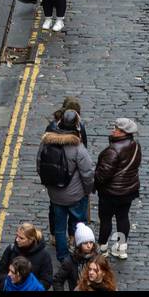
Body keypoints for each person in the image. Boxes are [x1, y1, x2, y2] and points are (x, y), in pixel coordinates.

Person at [37, 108, 95, 263]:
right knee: (78, 225)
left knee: (59, 227)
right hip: (76, 195)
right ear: (76, 126)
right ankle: (79, 252)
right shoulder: (78, 148)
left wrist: (49, 185)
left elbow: (39, 165)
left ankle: (63, 256)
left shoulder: (46, 143)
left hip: (55, 195)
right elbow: (87, 173)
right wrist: (87, 191)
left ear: (60, 123)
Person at [94, 117, 141, 258]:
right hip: (129, 191)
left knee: (106, 219)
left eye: (117, 129)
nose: (113, 130)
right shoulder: (136, 146)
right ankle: (121, 247)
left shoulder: (112, 151)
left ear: (124, 133)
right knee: (122, 218)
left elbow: (103, 174)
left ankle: (102, 247)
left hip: (110, 193)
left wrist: (94, 183)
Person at [0, 222, 55, 289]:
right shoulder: (11, 249)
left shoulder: (44, 255)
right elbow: (0, 271)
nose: (17, 240)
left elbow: (46, 281)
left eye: (21, 238)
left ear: (31, 240)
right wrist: (8, 285)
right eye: (17, 236)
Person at [53, 223, 101, 289]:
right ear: (79, 245)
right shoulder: (70, 261)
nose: (89, 246)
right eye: (85, 243)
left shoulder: (97, 258)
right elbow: (58, 280)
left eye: (91, 242)